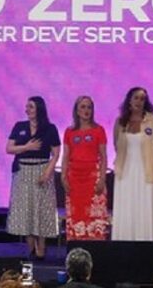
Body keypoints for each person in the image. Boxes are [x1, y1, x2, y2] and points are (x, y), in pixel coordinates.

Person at [6, 96, 61, 259]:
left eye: (30, 106)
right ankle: (29, 245)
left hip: (42, 169)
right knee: (26, 207)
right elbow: (9, 148)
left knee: (41, 208)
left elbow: (56, 153)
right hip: (23, 171)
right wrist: (26, 147)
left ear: (39, 108)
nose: (27, 110)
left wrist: (48, 172)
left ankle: (41, 245)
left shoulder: (50, 129)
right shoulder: (19, 126)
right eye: (27, 107)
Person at [111, 87, 153, 241]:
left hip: (148, 172)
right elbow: (116, 145)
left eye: (142, 99)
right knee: (127, 206)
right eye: (136, 98)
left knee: (145, 206)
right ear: (129, 100)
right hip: (125, 172)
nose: (139, 101)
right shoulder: (120, 123)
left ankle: (147, 242)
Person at [61, 96, 110, 241]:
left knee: (94, 216)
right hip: (74, 179)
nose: (86, 110)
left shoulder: (99, 130)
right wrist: (63, 177)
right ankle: (76, 249)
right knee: (76, 215)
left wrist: (102, 179)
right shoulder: (69, 132)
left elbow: (103, 156)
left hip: (93, 177)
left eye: (89, 107)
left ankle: (96, 248)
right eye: (83, 107)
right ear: (76, 111)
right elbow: (65, 156)